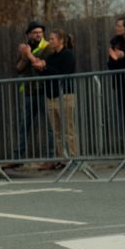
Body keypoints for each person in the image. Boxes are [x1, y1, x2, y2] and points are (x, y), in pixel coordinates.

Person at [13, 22, 50, 161]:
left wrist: (28, 55)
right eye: (35, 32)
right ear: (28, 34)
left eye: (40, 32)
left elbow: (39, 65)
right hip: (29, 91)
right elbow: (19, 68)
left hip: (44, 91)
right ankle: (17, 158)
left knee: (49, 125)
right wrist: (24, 57)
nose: (38, 34)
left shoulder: (47, 47)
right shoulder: (26, 48)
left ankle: (51, 157)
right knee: (24, 125)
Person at [44, 28, 79, 163]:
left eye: (52, 39)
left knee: (68, 130)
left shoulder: (68, 55)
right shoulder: (50, 57)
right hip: (51, 96)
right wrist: (42, 67)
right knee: (56, 131)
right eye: (50, 38)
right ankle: (62, 159)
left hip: (65, 95)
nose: (50, 41)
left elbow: (63, 72)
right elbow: (46, 73)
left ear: (61, 41)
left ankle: (73, 158)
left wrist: (46, 68)